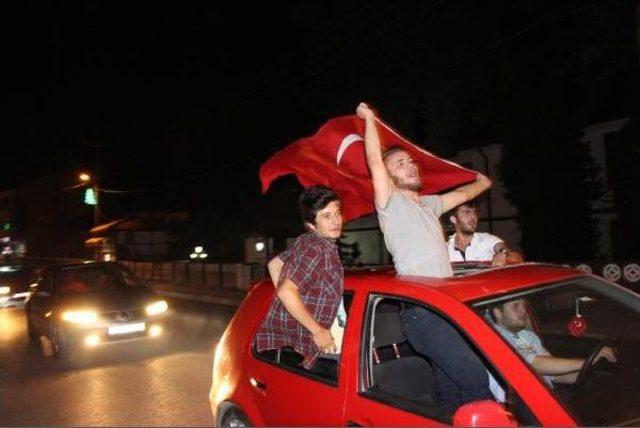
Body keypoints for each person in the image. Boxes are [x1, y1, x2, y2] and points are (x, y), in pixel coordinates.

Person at [356, 102, 495, 412]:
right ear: (389, 176)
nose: (411, 165)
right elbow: (373, 160)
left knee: (448, 385)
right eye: (401, 163)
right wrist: (370, 121)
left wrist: (481, 184)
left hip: (446, 307)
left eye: (412, 161)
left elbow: (461, 196)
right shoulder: (390, 205)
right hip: (423, 313)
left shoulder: (429, 205)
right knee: (474, 376)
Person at [255, 185, 344, 369]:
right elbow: (287, 291)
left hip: (301, 342)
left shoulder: (307, 240)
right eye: (326, 216)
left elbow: (274, 264)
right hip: (321, 343)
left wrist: (294, 308)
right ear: (312, 224)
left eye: (337, 213)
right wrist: (317, 330)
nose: (336, 221)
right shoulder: (317, 248)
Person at [490, 299, 617, 386]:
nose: (523, 311)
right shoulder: (495, 339)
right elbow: (535, 364)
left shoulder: (526, 336)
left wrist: (590, 371)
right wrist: (587, 362)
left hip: (545, 396)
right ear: (498, 313)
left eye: (523, 305)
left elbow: (554, 375)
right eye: (515, 306)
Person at [448, 201, 524, 267]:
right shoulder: (445, 249)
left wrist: (503, 253)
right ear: (454, 219)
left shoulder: (485, 239)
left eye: (474, 212)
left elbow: (501, 247)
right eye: (467, 212)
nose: (474, 217)